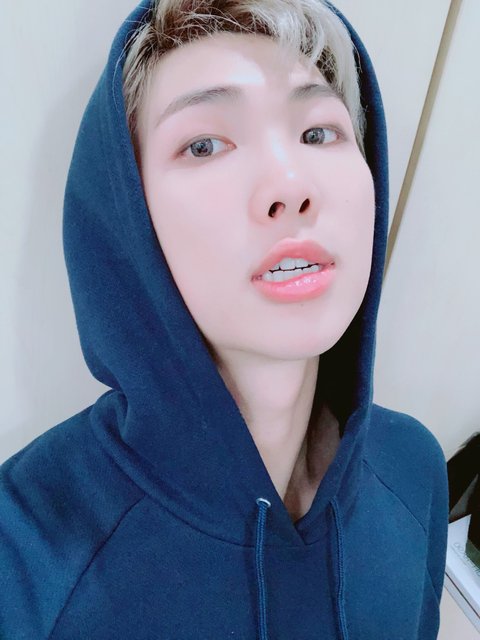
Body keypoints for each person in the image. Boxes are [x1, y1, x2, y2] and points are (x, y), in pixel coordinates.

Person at [0, 1, 449, 638]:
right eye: (204, 145)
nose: (290, 185)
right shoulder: (24, 556)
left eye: (318, 132)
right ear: (127, 216)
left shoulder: (413, 468)